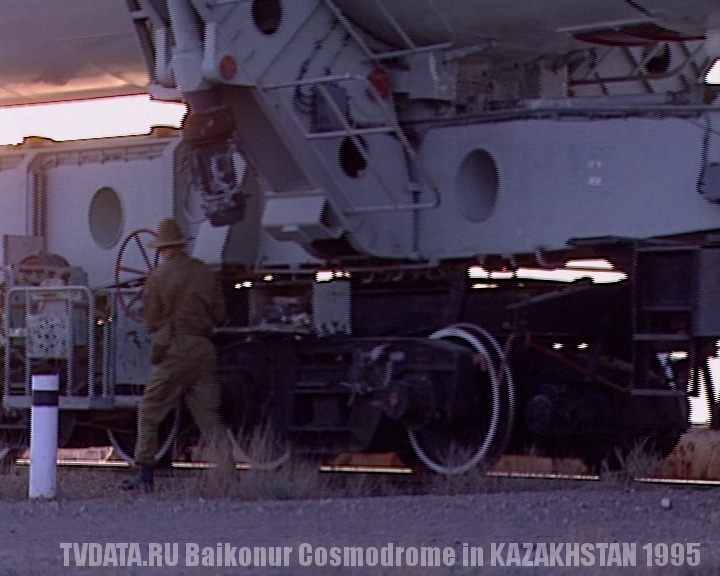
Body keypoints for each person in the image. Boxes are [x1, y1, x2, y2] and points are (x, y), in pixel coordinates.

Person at [121, 217, 231, 492]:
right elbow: (220, 314)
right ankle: (228, 476)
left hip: (176, 348)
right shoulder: (206, 272)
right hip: (205, 349)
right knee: (210, 418)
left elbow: (150, 321)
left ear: (161, 249)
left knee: (149, 410)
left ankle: (144, 475)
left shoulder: (158, 276)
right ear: (182, 245)